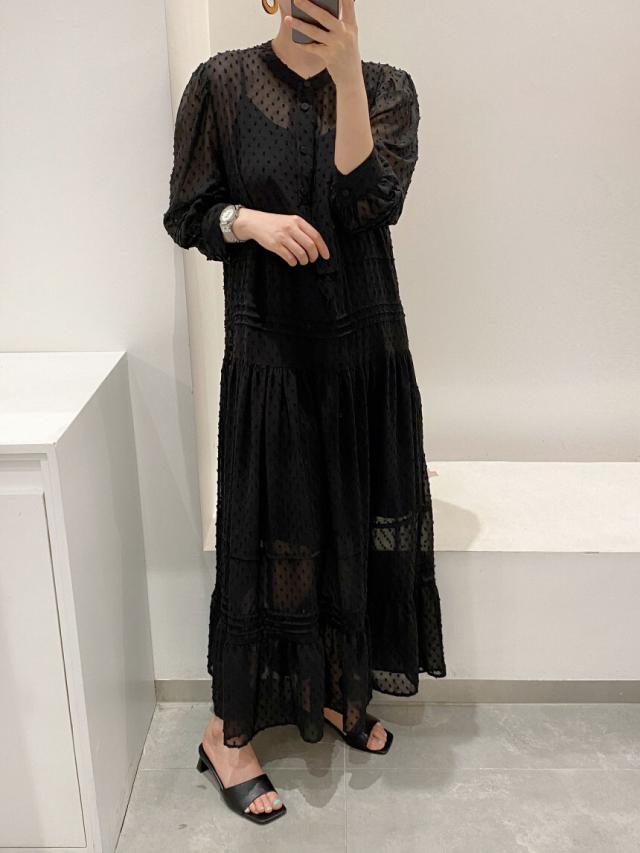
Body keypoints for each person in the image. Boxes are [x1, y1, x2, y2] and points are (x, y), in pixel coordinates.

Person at [163, 0, 446, 825]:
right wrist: (246, 220)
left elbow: (369, 202)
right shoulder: (220, 84)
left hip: (364, 350)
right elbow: (188, 211)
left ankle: (332, 685)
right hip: (273, 353)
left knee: (354, 522)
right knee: (275, 532)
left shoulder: (388, 88)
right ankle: (227, 732)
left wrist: (349, 76)